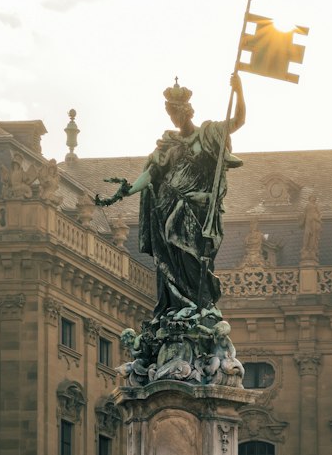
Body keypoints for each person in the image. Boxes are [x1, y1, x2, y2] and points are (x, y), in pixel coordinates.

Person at [96, 74, 245, 318]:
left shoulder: (209, 134)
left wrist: (239, 90)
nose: (175, 119)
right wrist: (124, 192)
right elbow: (151, 173)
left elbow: (238, 120)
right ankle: (178, 306)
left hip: (197, 208)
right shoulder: (168, 143)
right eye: (171, 115)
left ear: (188, 111)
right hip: (167, 206)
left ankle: (197, 307)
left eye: (177, 113)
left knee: (193, 259)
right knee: (171, 261)